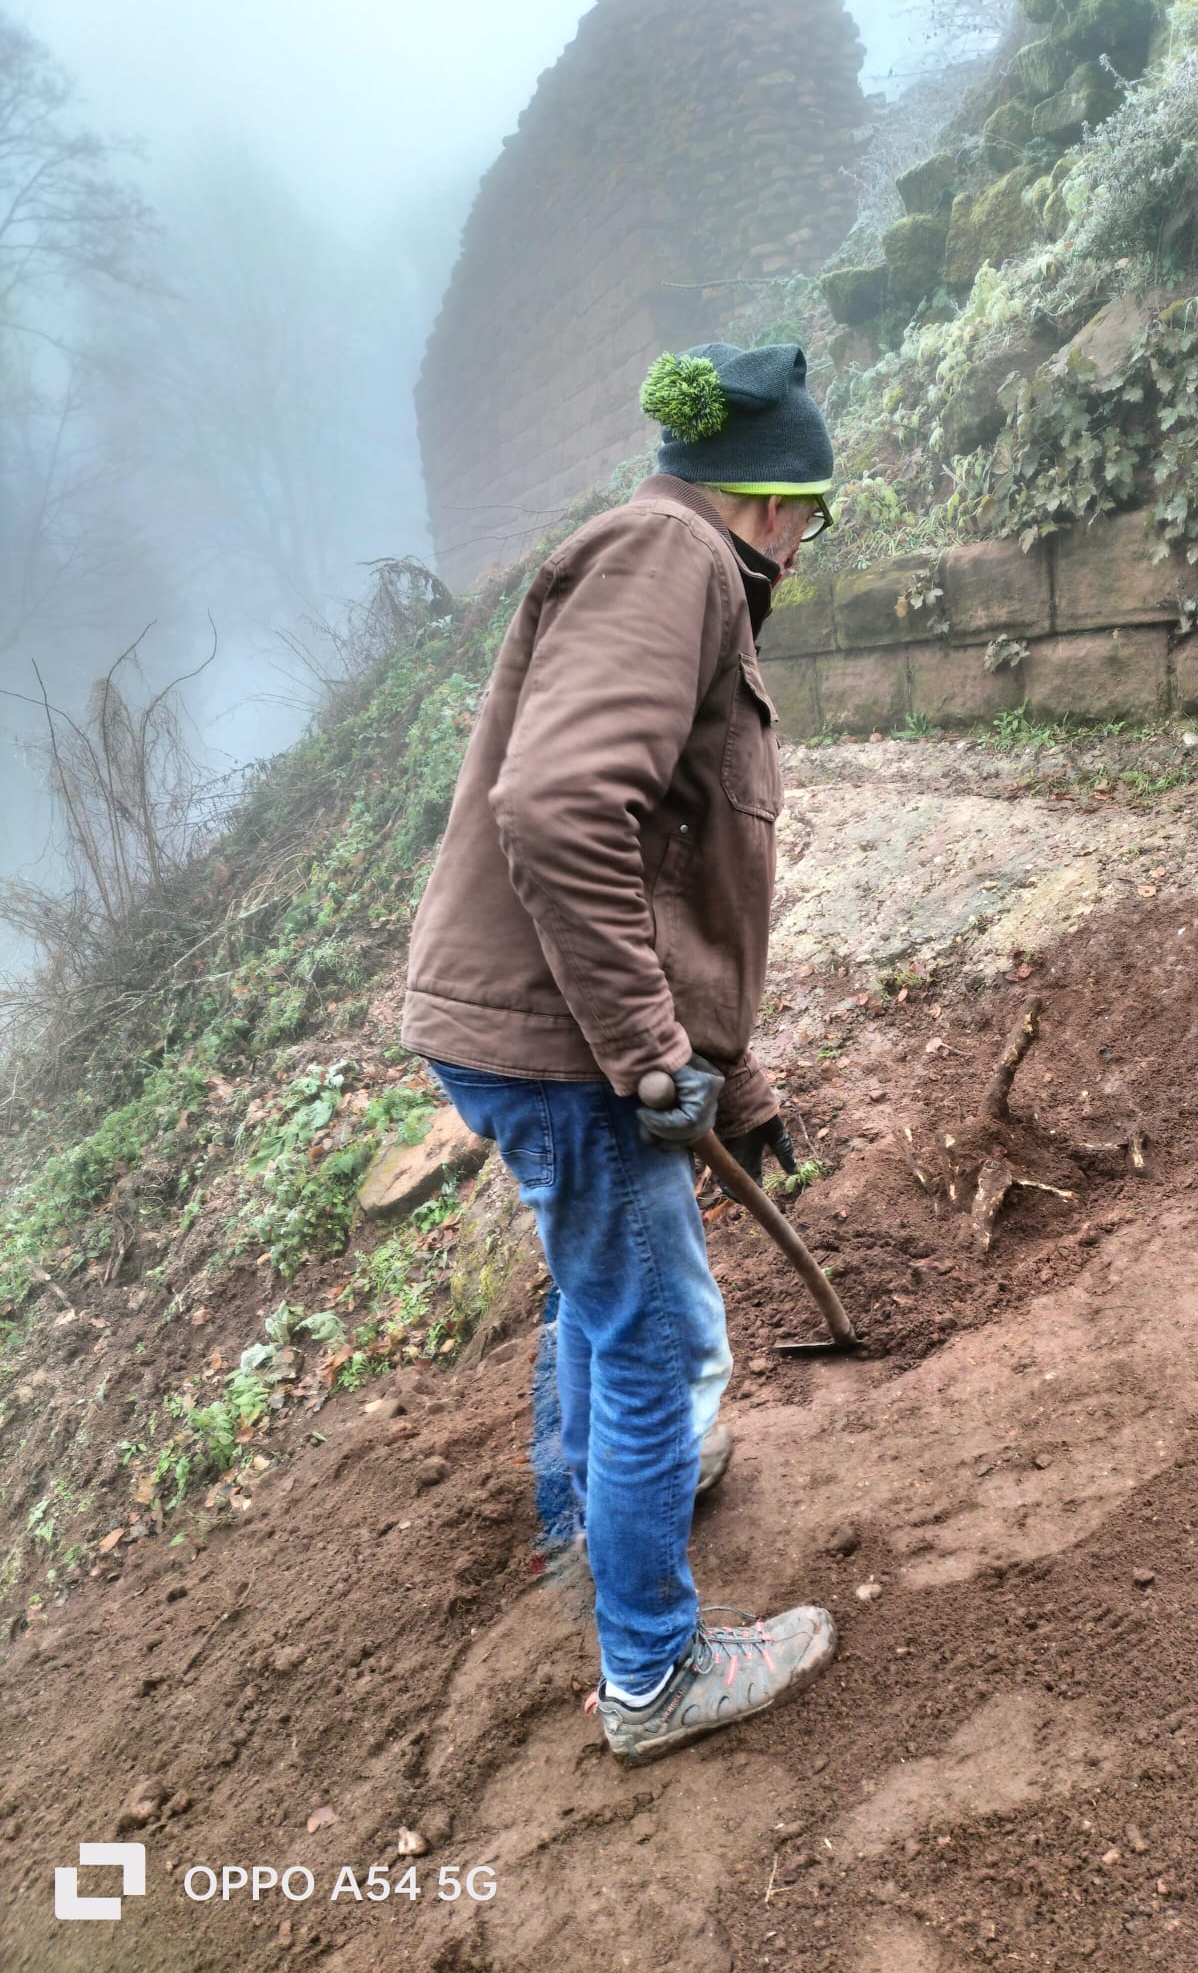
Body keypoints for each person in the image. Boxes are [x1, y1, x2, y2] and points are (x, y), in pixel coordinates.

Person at [401, 342, 838, 1764]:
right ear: (773, 504)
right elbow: (563, 808)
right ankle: (653, 1674)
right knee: (649, 1338)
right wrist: (651, 1059)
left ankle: (594, 1517)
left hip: (547, 1031)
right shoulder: (674, 559)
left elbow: (670, 869)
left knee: (612, 1305)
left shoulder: (666, 555)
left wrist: (733, 1077)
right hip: (568, 1046)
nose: (805, 549)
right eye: (813, 519)